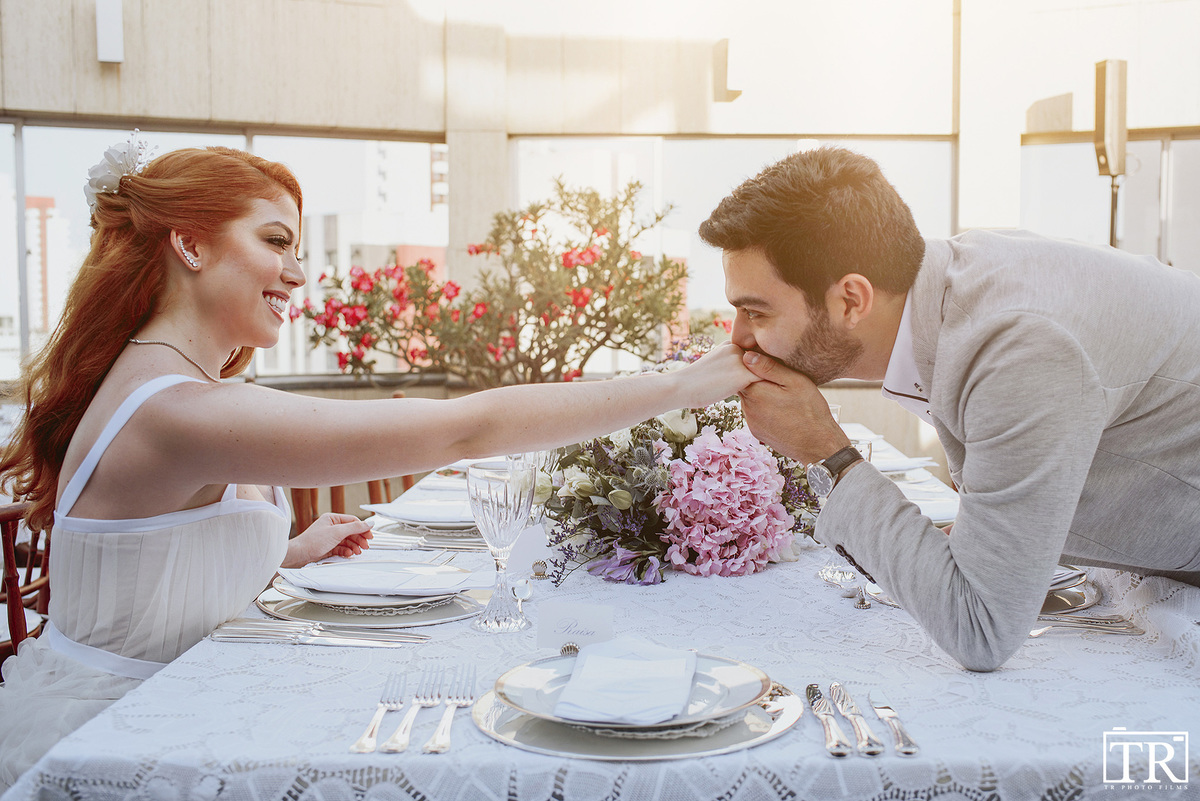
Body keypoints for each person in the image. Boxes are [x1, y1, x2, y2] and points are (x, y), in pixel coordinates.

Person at [0, 136, 757, 788]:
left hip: (171, 701)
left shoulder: (170, 385)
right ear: (191, 245)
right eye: (274, 241)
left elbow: (145, 561)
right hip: (128, 740)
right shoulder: (178, 408)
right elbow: (467, 429)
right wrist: (685, 383)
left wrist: (287, 551)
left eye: (299, 250)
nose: (298, 273)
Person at [699, 146, 1200, 672]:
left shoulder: (1015, 347)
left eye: (755, 311)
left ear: (851, 300)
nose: (739, 337)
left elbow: (981, 631)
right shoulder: (956, 289)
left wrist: (829, 454)